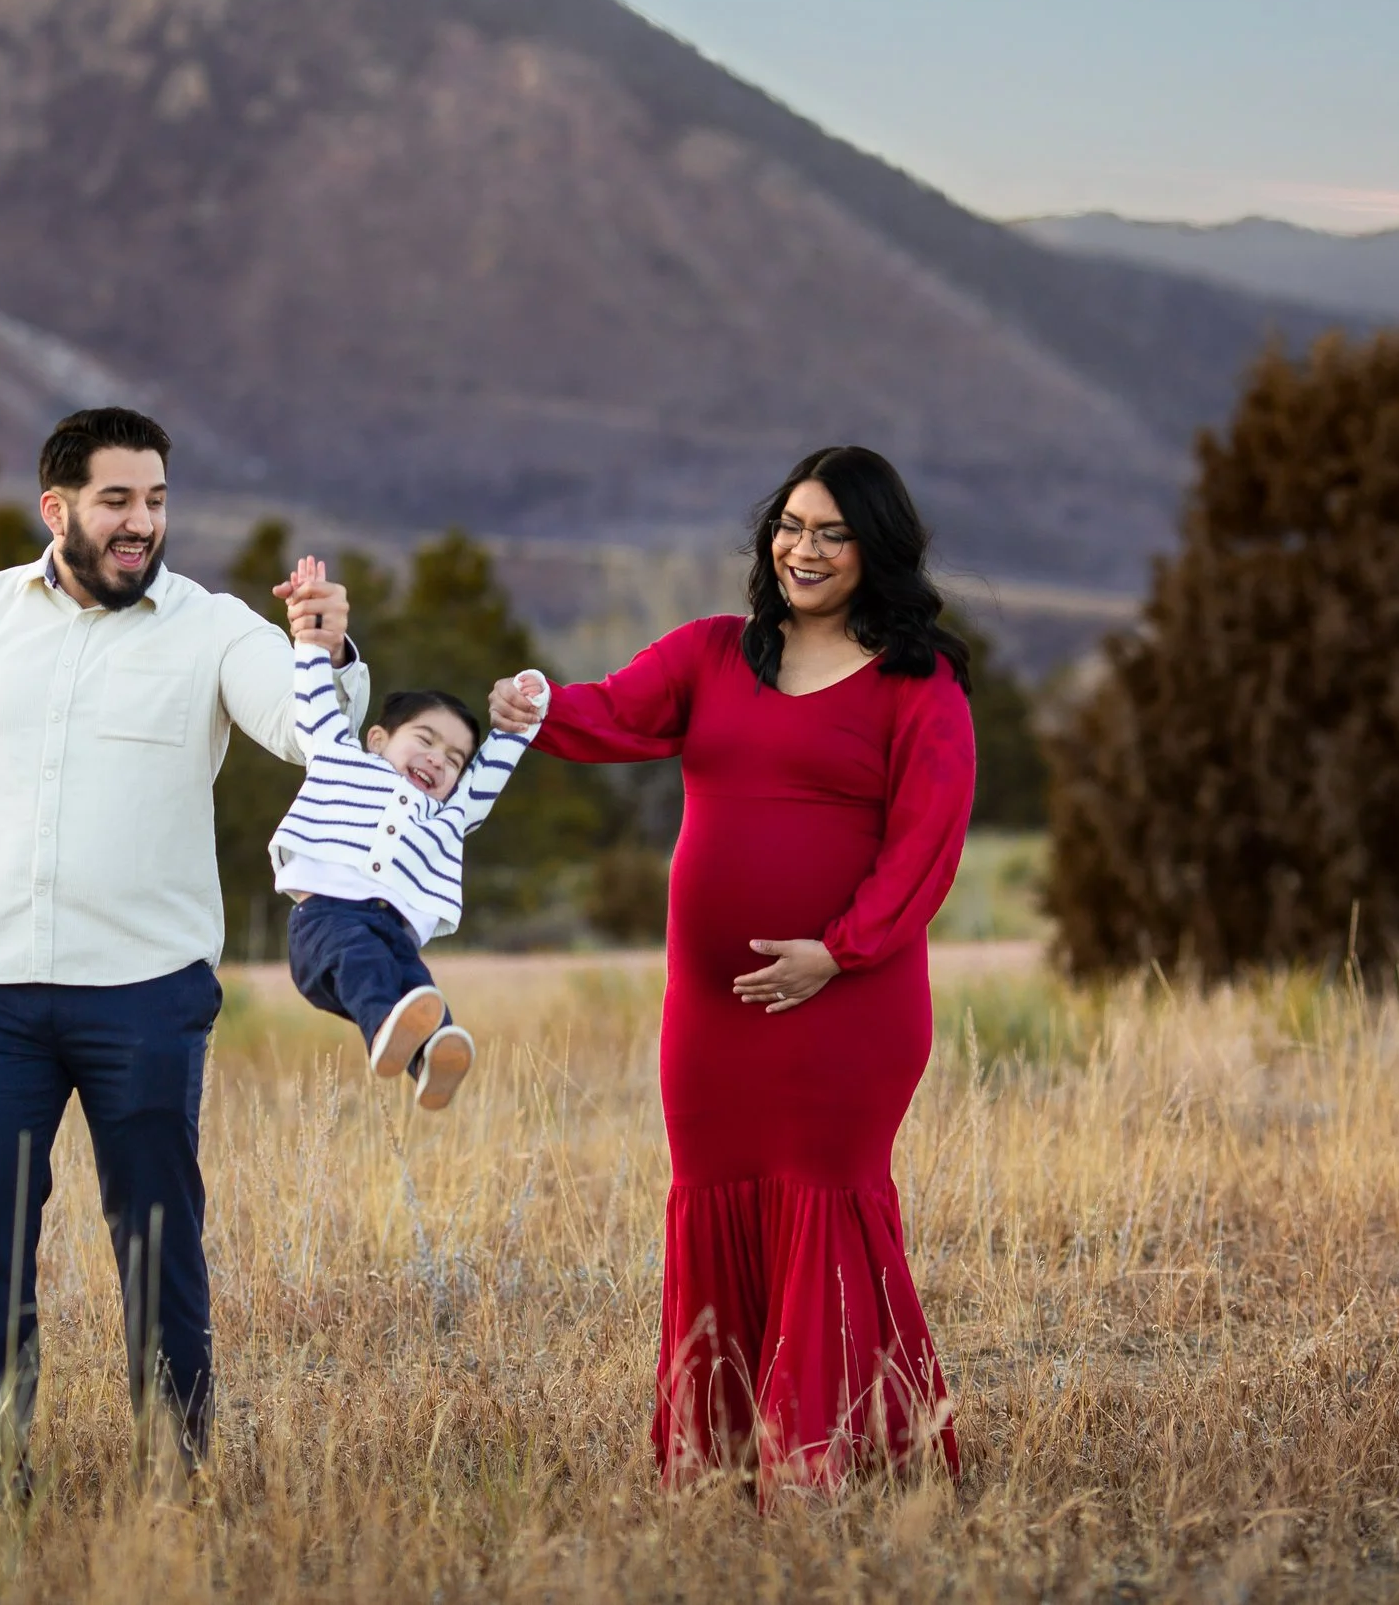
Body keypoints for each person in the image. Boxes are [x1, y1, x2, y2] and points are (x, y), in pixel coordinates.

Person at [0, 407, 368, 1472]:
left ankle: (177, 1469)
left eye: (156, 500)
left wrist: (325, 648)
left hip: (146, 1000)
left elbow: (317, 734)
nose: (141, 523)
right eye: (118, 500)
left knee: (158, 1247)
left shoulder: (210, 628)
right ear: (57, 506)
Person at [490, 445, 972, 1492]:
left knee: (827, 1195)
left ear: (874, 548)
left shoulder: (917, 683)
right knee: (713, 1195)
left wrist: (833, 954)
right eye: (790, 525)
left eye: (831, 532)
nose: (802, 548)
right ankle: (715, 1462)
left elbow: (925, 847)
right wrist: (530, 705)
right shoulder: (715, 654)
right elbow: (610, 712)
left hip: (850, 1005)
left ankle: (828, 1458)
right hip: (709, 1021)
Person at [266, 556, 550, 1108]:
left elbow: (497, 759)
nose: (436, 760)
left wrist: (527, 704)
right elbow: (314, 699)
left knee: (416, 985)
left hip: (393, 929)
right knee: (365, 964)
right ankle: (383, 1033)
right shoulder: (340, 756)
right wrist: (309, 639)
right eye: (424, 740)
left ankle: (431, 1063)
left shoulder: (449, 813)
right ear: (377, 738)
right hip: (325, 922)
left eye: (453, 758)